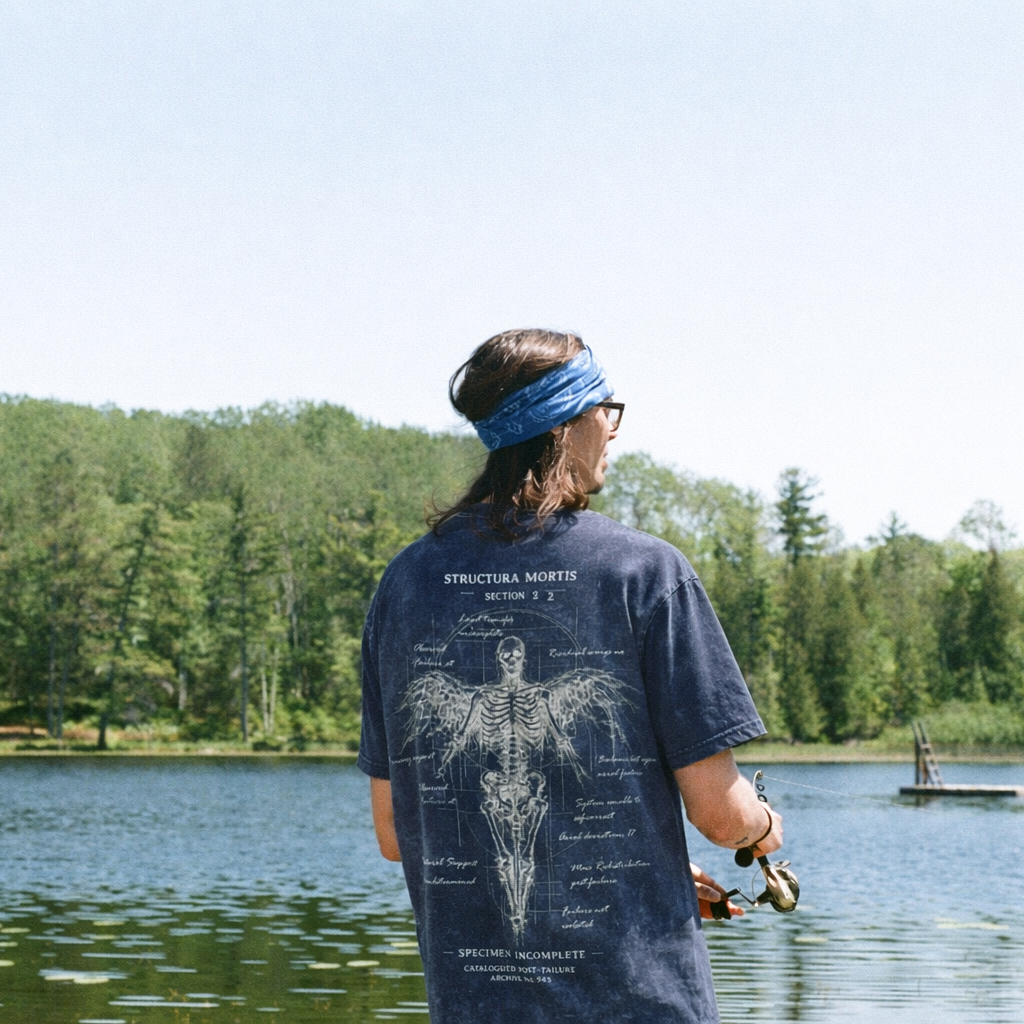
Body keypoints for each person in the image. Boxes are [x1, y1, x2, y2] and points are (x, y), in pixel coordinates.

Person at [358, 329, 783, 1024]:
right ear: (568, 422)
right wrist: (762, 827)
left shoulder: (406, 584)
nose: (612, 431)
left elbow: (398, 833)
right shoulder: (646, 574)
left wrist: (644, 869)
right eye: (605, 409)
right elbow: (720, 814)